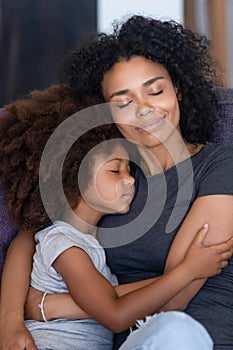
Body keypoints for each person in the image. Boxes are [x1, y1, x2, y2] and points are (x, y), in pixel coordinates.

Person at [0, 14, 233, 349]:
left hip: (193, 336)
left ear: (178, 89)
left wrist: (48, 305)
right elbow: (33, 236)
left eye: (154, 90)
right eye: (122, 102)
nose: (143, 109)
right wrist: (9, 321)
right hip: (129, 341)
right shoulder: (114, 180)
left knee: (174, 331)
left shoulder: (220, 164)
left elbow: (173, 299)